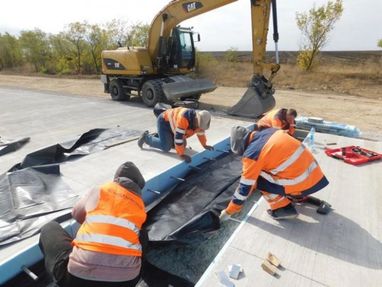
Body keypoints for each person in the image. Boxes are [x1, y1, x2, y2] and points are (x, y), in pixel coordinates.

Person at [39, 162, 147, 287]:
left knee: (49, 228)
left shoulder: (101, 189)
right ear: (139, 187)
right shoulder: (140, 205)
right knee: (141, 233)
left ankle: (56, 278)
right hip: (128, 280)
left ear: (117, 179)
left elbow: (77, 214)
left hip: (77, 278)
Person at [220, 126, 329, 220]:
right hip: (314, 174)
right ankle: (297, 196)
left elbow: (245, 187)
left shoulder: (253, 154)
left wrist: (230, 211)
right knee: (267, 171)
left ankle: (283, 209)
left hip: (302, 182)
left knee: (258, 180)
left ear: (242, 145)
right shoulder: (270, 131)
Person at [138, 107, 214, 163]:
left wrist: (204, 145)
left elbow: (200, 133)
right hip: (164, 122)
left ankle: (160, 137)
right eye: (199, 125)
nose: (199, 128)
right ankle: (146, 137)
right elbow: (178, 138)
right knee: (166, 147)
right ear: (196, 119)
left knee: (182, 146)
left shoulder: (198, 123)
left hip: (174, 127)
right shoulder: (183, 118)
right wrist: (181, 155)